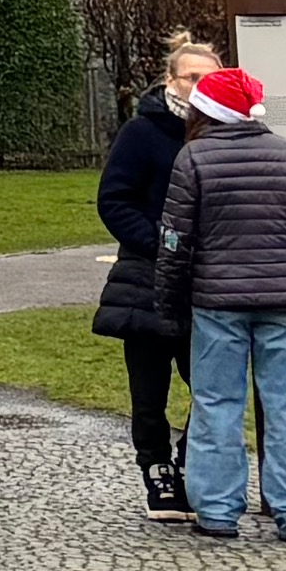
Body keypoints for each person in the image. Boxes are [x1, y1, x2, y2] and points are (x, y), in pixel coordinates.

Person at [153, 63, 286, 542]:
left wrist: (169, 304)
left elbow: (175, 241)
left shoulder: (193, 160)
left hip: (217, 302)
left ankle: (217, 512)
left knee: (216, 405)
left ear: (205, 113)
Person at [88, 33, 207, 517]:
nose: (200, 86)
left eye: (210, 78)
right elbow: (114, 200)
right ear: (170, 80)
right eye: (192, 77)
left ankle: (192, 463)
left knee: (211, 386)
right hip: (147, 279)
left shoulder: (222, 131)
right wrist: (159, 244)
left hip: (205, 282)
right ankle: (157, 470)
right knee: (149, 390)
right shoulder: (141, 132)